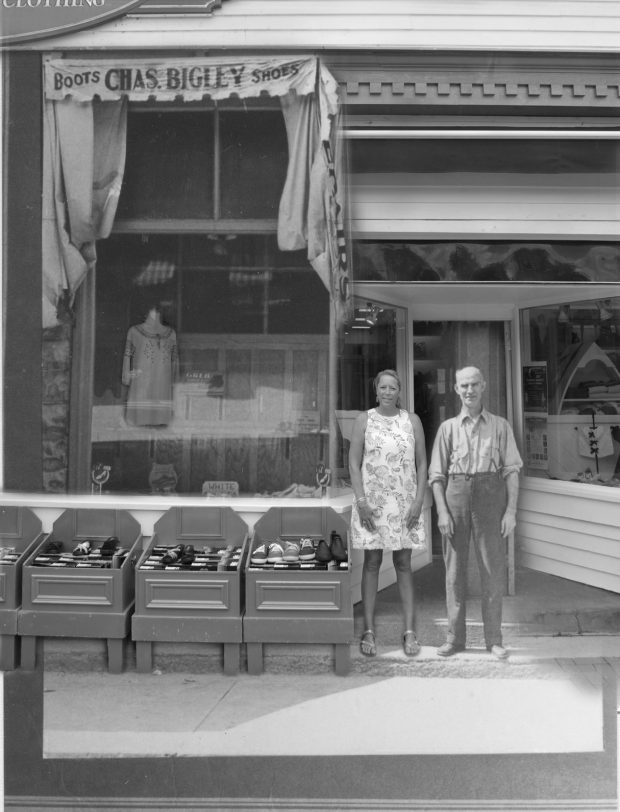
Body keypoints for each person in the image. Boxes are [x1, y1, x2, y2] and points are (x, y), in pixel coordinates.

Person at [429, 366, 523, 660]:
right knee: (454, 572)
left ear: (483, 386)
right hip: (455, 494)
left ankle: (493, 639)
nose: (469, 390)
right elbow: (436, 476)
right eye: (463, 386)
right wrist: (442, 512)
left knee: (492, 570)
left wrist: (511, 511)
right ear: (456, 389)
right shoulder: (447, 429)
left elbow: (511, 472)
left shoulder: (500, 426)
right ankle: (454, 639)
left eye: (474, 385)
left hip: (489, 494)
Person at [349, 369, 428, 657]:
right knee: (371, 562)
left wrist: (419, 501)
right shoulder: (364, 420)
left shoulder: (412, 421)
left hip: (405, 503)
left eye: (392, 387)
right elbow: (353, 463)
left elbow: (422, 463)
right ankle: (368, 630)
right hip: (371, 504)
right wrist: (361, 502)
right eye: (382, 387)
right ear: (376, 390)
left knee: (404, 564)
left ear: (399, 391)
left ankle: (409, 633)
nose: (387, 392)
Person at [122, 304, 179, 427]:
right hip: (142, 378)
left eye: (157, 310)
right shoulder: (134, 331)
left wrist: (175, 379)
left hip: (162, 379)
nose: (156, 313)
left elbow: (175, 359)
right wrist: (126, 376)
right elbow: (127, 356)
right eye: (153, 310)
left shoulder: (170, 333)